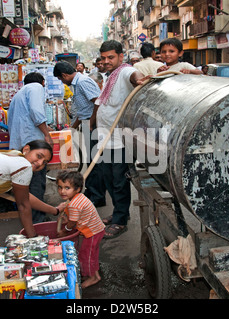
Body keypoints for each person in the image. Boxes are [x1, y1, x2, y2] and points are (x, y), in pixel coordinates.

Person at [94, 40, 146, 239]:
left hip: (120, 141)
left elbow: (134, 76)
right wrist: (92, 124)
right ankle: (118, 213)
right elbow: (101, 103)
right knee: (108, 179)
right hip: (104, 138)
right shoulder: (109, 76)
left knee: (119, 181)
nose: (106, 61)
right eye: (104, 58)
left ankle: (120, 220)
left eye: (111, 57)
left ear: (120, 57)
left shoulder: (125, 71)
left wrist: (140, 80)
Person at [53, 62, 106, 208]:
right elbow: (83, 109)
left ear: (64, 75)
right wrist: (73, 128)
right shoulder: (76, 84)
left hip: (93, 124)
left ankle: (98, 196)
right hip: (87, 122)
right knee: (90, 161)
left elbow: (98, 103)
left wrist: (91, 123)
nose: (61, 82)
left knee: (95, 163)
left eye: (60, 79)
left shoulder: (83, 82)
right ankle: (92, 191)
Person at [8, 72, 53, 224]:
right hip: (33, 144)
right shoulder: (36, 88)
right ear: (42, 82)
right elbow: (36, 112)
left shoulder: (18, 94)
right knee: (36, 182)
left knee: (26, 182)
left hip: (21, 145)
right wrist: (47, 134)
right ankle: (38, 219)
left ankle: (35, 216)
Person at [56, 170, 105, 288]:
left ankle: (93, 277)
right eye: (60, 187)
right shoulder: (78, 197)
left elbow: (73, 222)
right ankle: (93, 272)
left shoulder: (74, 204)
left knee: (86, 255)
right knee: (91, 254)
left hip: (93, 232)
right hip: (96, 229)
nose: (62, 191)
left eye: (67, 188)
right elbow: (78, 216)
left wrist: (65, 230)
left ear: (77, 189)